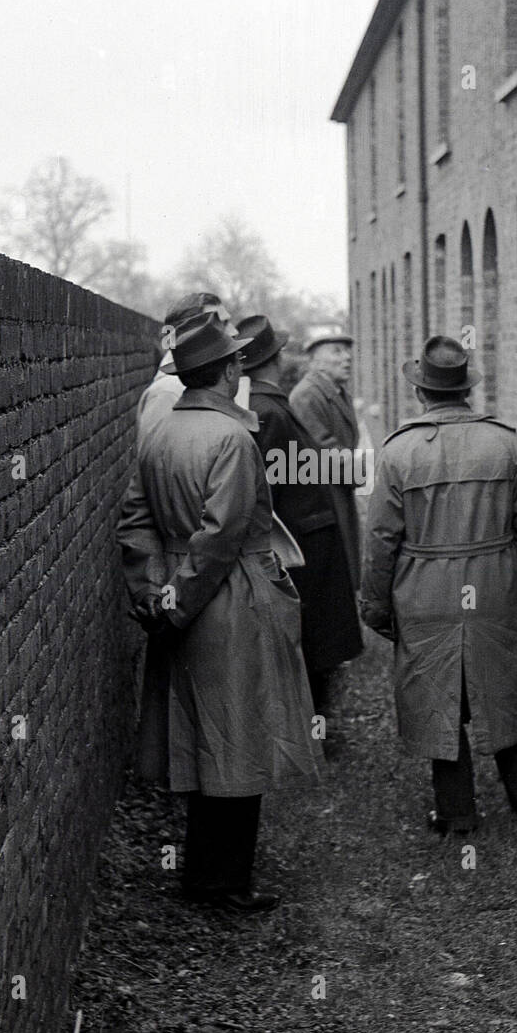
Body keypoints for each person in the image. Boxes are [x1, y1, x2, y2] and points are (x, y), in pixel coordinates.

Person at [118, 313, 322, 912]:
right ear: (231, 371)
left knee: (204, 734)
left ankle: (208, 876)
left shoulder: (160, 435)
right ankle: (224, 884)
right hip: (229, 598)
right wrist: (176, 602)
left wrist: (154, 593)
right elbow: (221, 537)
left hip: (184, 599)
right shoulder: (232, 439)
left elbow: (135, 523)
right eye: (238, 361)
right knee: (241, 737)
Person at [360, 336, 517, 835]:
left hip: (425, 589)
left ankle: (456, 812)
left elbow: (381, 540)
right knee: (503, 688)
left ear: (421, 392)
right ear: (466, 389)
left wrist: (376, 606)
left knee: (437, 694)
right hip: (495, 585)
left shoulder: (399, 452)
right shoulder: (506, 443)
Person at [237, 315, 364, 731]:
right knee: (311, 643)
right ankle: (311, 732)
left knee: (316, 644)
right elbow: (274, 487)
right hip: (301, 541)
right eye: (334, 350)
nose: (344, 356)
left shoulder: (271, 404)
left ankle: (315, 728)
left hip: (309, 533)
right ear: (276, 357)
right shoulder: (272, 409)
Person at [290, 326, 362, 592]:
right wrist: (361, 469)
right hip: (323, 497)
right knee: (332, 575)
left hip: (337, 491)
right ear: (316, 360)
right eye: (337, 351)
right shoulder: (307, 394)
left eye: (347, 351)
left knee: (342, 569)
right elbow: (322, 448)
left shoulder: (336, 391)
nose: (347, 358)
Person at [137, 292, 251, 438]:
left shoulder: (208, 377)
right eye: (222, 323)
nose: (234, 331)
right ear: (192, 331)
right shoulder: (166, 392)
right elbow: (158, 455)